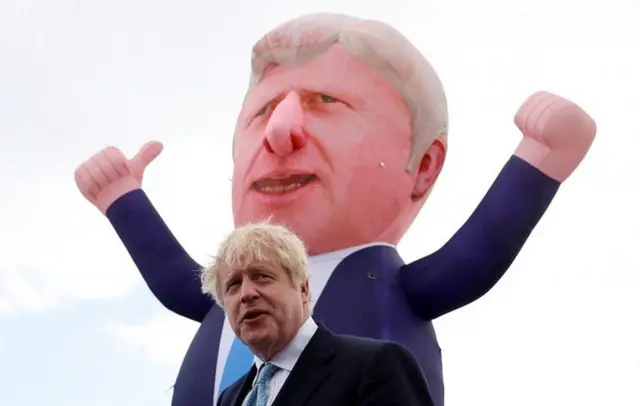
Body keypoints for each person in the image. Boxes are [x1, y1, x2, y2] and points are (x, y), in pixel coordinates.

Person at [74, 12, 597, 406]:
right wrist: (123, 199)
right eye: (263, 112)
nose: (280, 132)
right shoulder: (236, 379)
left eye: (327, 102)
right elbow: (175, 280)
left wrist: (541, 161)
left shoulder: (382, 352)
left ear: (424, 165)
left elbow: (475, 258)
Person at [201, 221, 433, 406]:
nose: (246, 293)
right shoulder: (230, 399)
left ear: (303, 289)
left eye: (262, 276)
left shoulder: (376, 366)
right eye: (233, 285)